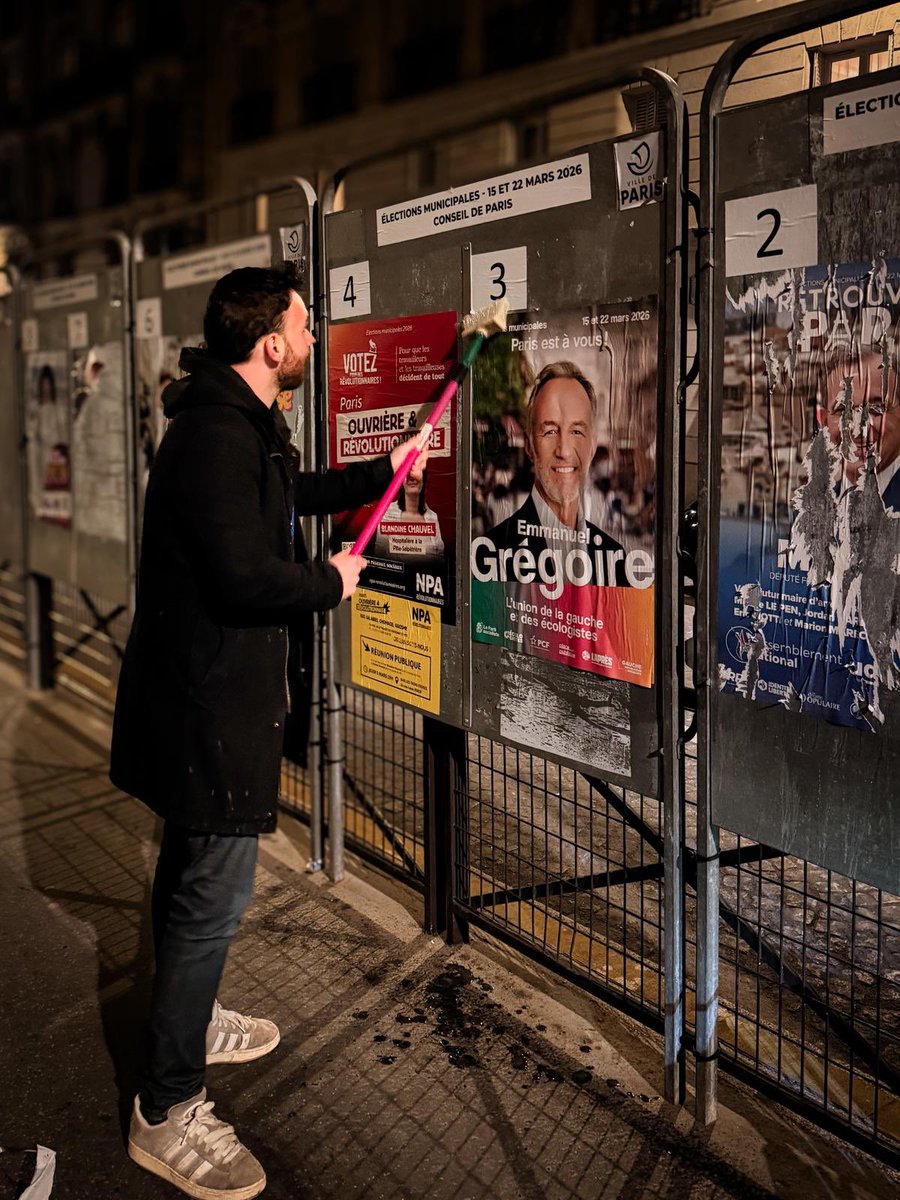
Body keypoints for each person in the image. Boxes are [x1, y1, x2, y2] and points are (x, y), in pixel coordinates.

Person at [110, 266, 426, 1199]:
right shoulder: (213, 435)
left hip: (205, 704)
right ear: (270, 343)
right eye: (305, 322)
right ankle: (165, 1108)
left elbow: (287, 496)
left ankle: (189, 1014)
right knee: (211, 894)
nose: (316, 336)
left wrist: (382, 470)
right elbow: (245, 575)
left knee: (189, 874)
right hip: (208, 712)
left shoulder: (241, 424)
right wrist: (329, 582)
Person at [484, 361, 629, 584]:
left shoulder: (616, 560)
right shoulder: (490, 555)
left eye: (577, 431)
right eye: (550, 431)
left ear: (591, 447)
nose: (564, 450)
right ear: (530, 446)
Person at [817, 345, 900, 511]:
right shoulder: (813, 512)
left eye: (875, 408)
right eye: (842, 410)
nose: (857, 427)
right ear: (824, 421)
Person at [371, 467, 444, 559]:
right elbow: (380, 556)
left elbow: (439, 558)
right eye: (407, 473)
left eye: (416, 472)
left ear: (423, 479)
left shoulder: (432, 516)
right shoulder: (386, 512)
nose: (412, 478)